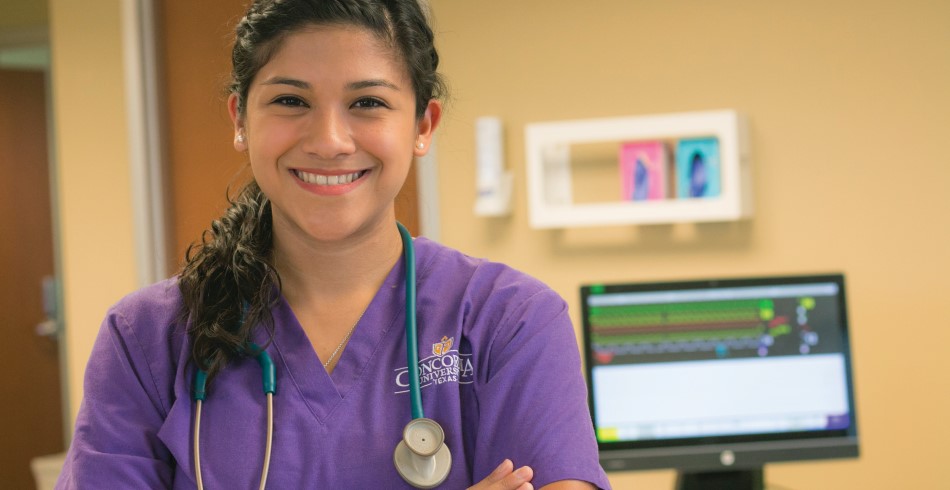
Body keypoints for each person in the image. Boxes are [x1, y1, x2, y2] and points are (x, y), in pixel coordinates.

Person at [56, 1, 611, 488]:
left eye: (367, 102)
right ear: (240, 119)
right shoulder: (150, 340)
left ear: (423, 125)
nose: (328, 141)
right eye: (291, 101)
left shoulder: (507, 321)